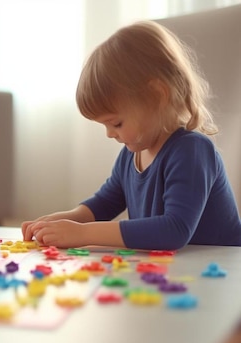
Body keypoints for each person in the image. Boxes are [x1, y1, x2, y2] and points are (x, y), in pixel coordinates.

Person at [22, 20, 241, 251]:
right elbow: (104, 204)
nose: (109, 134)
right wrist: (66, 220)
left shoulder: (192, 150)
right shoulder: (130, 154)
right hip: (176, 270)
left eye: (116, 123)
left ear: (157, 95)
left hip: (222, 269)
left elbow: (174, 230)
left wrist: (83, 233)